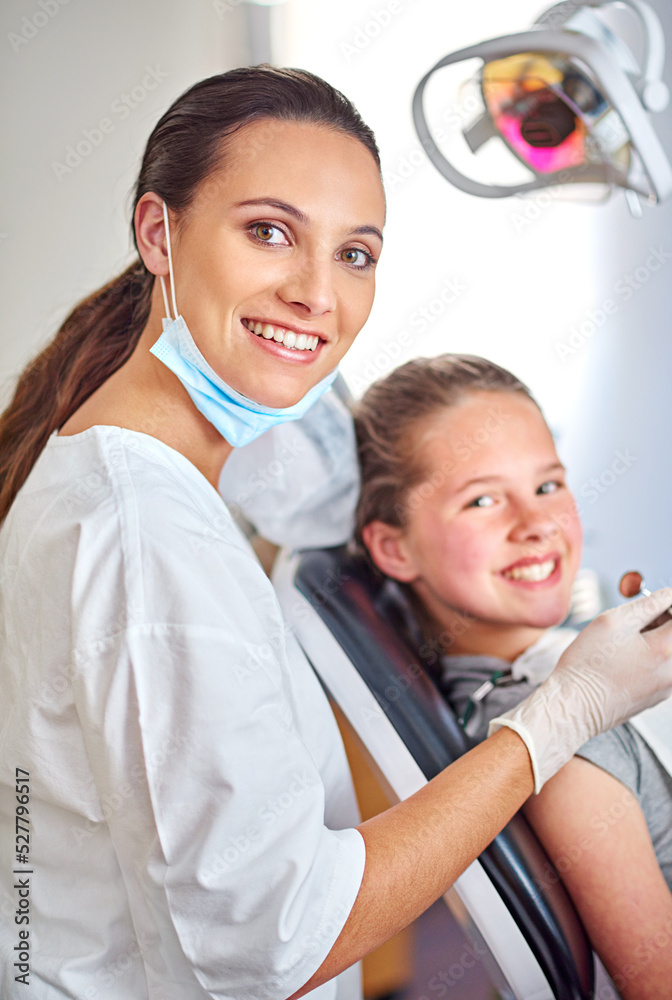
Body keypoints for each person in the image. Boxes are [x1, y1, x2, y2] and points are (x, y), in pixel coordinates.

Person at [0, 68, 671, 1000]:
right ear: (159, 232)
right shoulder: (147, 537)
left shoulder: (125, 468)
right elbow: (276, 944)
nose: (319, 294)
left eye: (355, 254)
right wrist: (565, 713)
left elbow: (316, 484)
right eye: (269, 232)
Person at [354, 353, 672, 999]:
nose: (536, 526)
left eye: (549, 486)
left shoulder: (531, 687)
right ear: (395, 547)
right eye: (482, 499)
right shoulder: (563, 736)